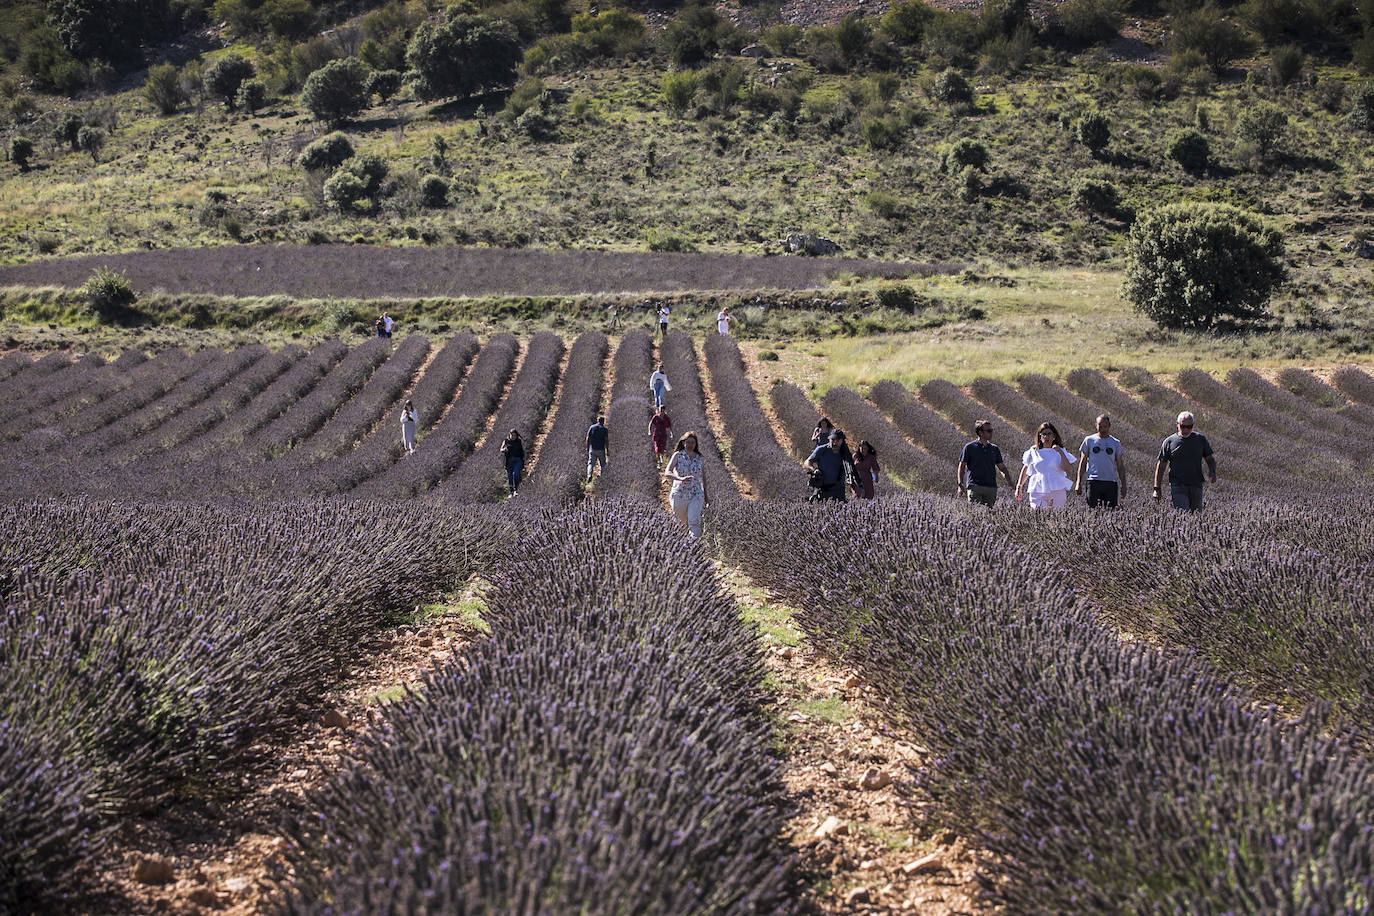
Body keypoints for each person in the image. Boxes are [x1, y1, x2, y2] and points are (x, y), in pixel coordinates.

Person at [1154, 411, 1216, 511]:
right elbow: (1161, 466)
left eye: (1189, 426)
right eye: (1183, 426)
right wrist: (1157, 488)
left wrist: (1212, 472)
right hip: (1178, 485)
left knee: (1196, 517)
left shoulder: (1200, 440)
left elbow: (1209, 458)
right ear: (1177, 424)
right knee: (1181, 515)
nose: (1186, 429)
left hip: (1196, 484)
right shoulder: (1169, 442)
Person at [1017, 422, 1077, 509]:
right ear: (1040, 437)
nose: (1046, 437)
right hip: (1037, 489)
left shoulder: (1061, 450)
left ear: (1054, 436)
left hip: (1057, 489)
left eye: (1049, 434)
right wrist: (1019, 486)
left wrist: (1060, 452)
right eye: (1044, 434)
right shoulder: (1033, 451)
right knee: (1038, 516)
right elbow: (1026, 468)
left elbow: (1067, 468)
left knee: (1057, 516)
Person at [957, 420, 1015, 506]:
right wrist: (960, 485)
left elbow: (1001, 467)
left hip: (991, 487)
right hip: (974, 486)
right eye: (988, 431)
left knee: (988, 514)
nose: (991, 433)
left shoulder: (994, 449)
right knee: (975, 513)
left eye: (991, 430)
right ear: (980, 433)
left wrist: (1009, 481)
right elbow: (962, 467)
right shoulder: (969, 447)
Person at [1075, 413, 1126, 508]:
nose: (1102, 429)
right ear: (1096, 425)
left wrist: (1124, 485)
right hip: (1093, 481)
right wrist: (1078, 482)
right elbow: (1082, 462)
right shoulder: (1089, 440)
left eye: (1105, 426)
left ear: (1109, 426)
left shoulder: (1115, 443)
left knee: (1111, 513)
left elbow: (1120, 466)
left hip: (1110, 482)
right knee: (1092, 512)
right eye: (1100, 426)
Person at [665, 431, 709, 538]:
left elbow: (703, 478)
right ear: (684, 443)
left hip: (696, 495)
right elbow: (667, 472)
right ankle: (681, 547)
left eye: (692, 443)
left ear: (696, 444)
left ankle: (695, 548)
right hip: (680, 494)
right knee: (680, 523)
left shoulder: (699, 458)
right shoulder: (678, 455)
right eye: (688, 442)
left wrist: (706, 497)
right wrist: (680, 478)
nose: (690, 445)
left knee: (694, 521)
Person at [806, 428, 853, 502]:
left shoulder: (845, 453)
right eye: (833, 440)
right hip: (822, 488)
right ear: (829, 439)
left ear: (842, 441)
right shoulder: (821, 449)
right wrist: (814, 469)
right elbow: (807, 462)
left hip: (838, 490)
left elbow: (851, 467)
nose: (835, 443)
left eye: (838, 440)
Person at [500, 428, 524, 498]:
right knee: (509, 477)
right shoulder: (506, 441)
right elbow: (501, 449)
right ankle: (511, 492)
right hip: (509, 461)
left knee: (515, 474)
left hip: (517, 460)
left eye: (514, 435)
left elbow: (522, 451)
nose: (513, 437)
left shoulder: (518, 441)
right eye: (512, 435)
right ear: (509, 435)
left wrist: (522, 461)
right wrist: (504, 450)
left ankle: (516, 490)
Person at [586, 415, 610, 483]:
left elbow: (588, 438)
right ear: (603, 422)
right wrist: (607, 450)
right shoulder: (604, 429)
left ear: (597, 421)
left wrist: (587, 447)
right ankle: (601, 477)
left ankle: (589, 475)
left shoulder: (592, 427)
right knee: (602, 464)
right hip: (601, 450)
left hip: (592, 449)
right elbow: (606, 440)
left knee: (591, 463)